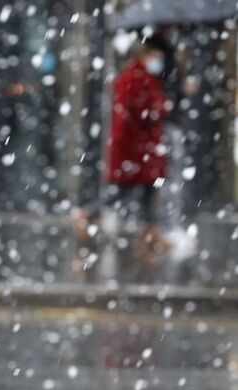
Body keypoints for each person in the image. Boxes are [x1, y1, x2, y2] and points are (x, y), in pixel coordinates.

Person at [75, 34, 171, 263]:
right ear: (144, 55)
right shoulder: (136, 78)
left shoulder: (139, 77)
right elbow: (139, 111)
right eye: (154, 55)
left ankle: (150, 233)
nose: (158, 59)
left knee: (140, 193)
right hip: (136, 150)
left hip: (138, 150)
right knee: (126, 192)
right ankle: (87, 213)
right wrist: (160, 109)